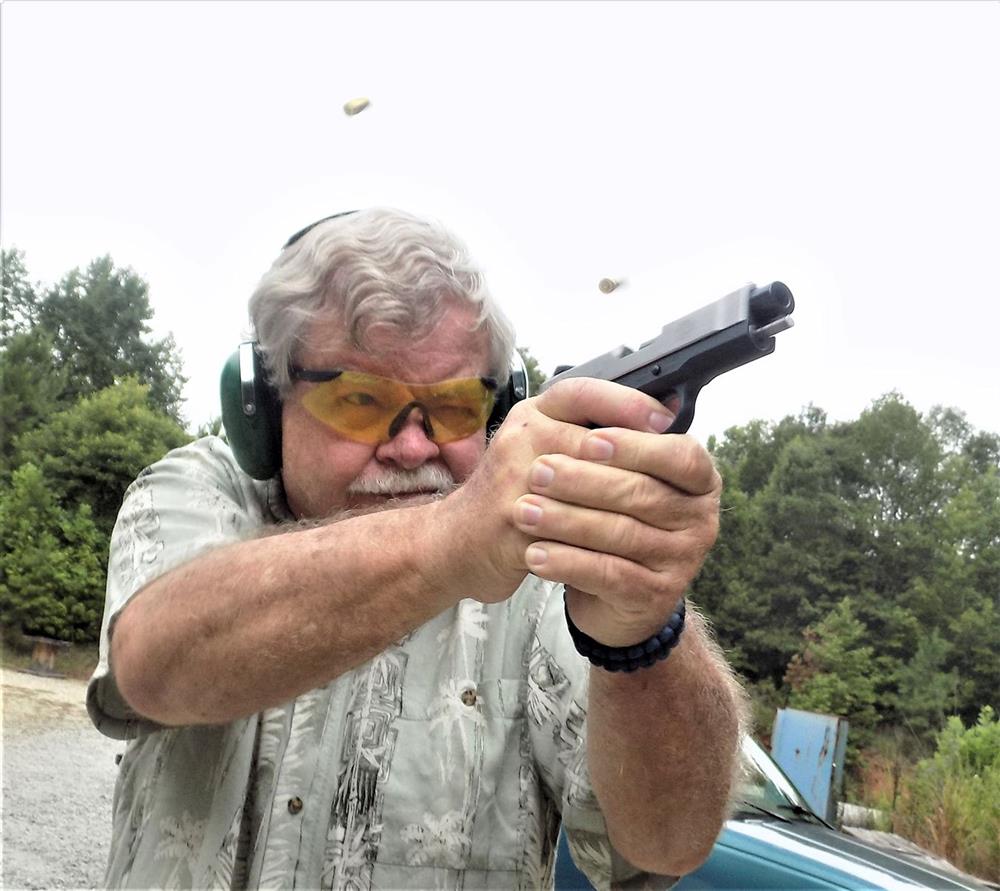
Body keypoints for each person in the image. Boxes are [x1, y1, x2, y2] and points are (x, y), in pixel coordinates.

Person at [88, 208, 747, 890]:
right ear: (263, 402)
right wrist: (450, 539)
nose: (411, 445)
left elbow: (667, 845)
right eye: (362, 400)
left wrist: (644, 630)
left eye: (456, 406)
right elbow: (152, 669)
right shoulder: (202, 490)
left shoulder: (544, 576)